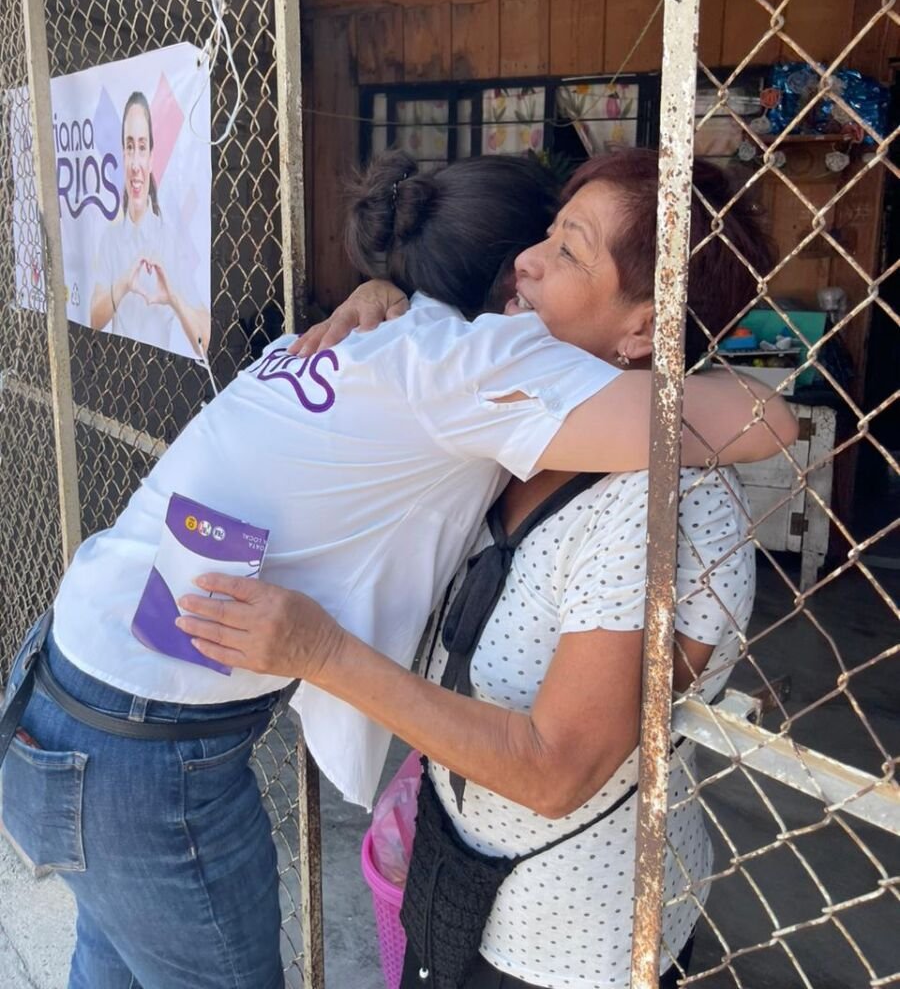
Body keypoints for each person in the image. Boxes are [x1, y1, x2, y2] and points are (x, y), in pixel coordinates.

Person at [1, 150, 793, 989]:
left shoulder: (467, 379)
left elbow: (764, 421)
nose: (533, 263)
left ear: (644, 323)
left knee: (110, 966)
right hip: (141, 743)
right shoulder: (476, 368)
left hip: (64, 688)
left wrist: (392, 292)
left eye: (566, 249)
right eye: (542, 238)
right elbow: (765, 417)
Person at [89, 89, 211, 356]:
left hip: (161, 371)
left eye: (142, 147)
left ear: (152, 158)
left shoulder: (170, 240)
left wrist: (174, 298)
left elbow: (204, 340)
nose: (135, 164)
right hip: (118, 367)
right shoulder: (110, 239)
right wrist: (123, 284)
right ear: (123, 154)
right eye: (130, 146)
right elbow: (94, 319)